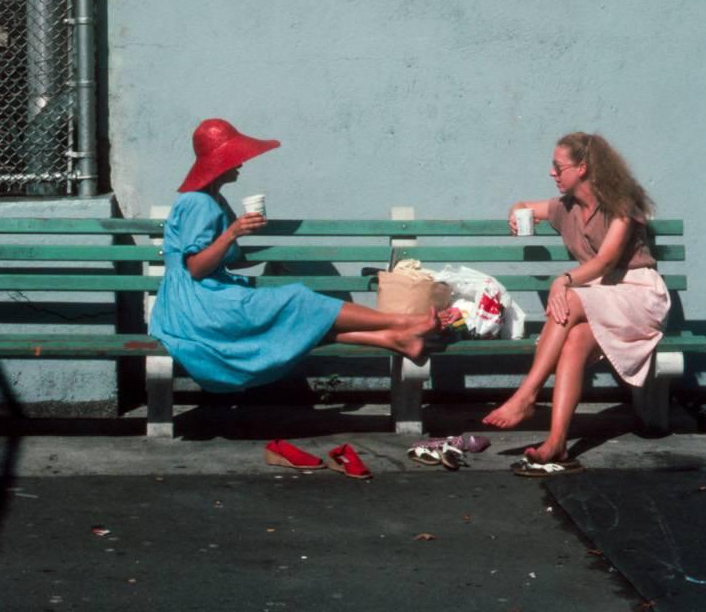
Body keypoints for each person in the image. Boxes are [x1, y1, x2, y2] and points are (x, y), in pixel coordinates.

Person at [148, 117, 450, 393]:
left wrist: (269, 256)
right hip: (198, 307)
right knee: (299, 300)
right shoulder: (198, 203)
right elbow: (196, 268)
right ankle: (403, 323)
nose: (241, 164)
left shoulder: (213, 199)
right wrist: (233, 232)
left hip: (205, 300)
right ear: (221, 161)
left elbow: (223, 260)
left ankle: (392, 338)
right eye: (236, 157)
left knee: (297, 319)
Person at [482, 131, 670, 474]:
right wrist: (515, 213)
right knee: (574, 342)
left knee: (567, 297)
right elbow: (524, 205)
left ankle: (527, 395)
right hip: (597, 296)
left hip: (637, 294)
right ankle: (557, 444)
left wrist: (563, 280)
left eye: (558, 166)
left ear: (582, 168)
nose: (552, 173)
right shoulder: (564, 208)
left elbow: (606, 261)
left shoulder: (621, 203)